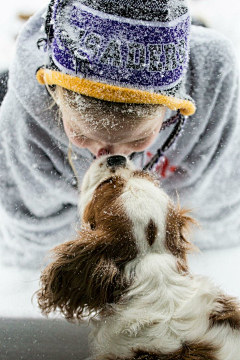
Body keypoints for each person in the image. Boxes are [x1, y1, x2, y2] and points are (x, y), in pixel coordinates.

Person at [0, 0, 239, 270]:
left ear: (171, 107)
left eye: (138, 140)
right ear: (55, 93)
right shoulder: (23, 118)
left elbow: (219, 214)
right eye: (81, 134)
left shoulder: (215, 82)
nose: (112, 155)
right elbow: (33, 240)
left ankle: (198, 28)